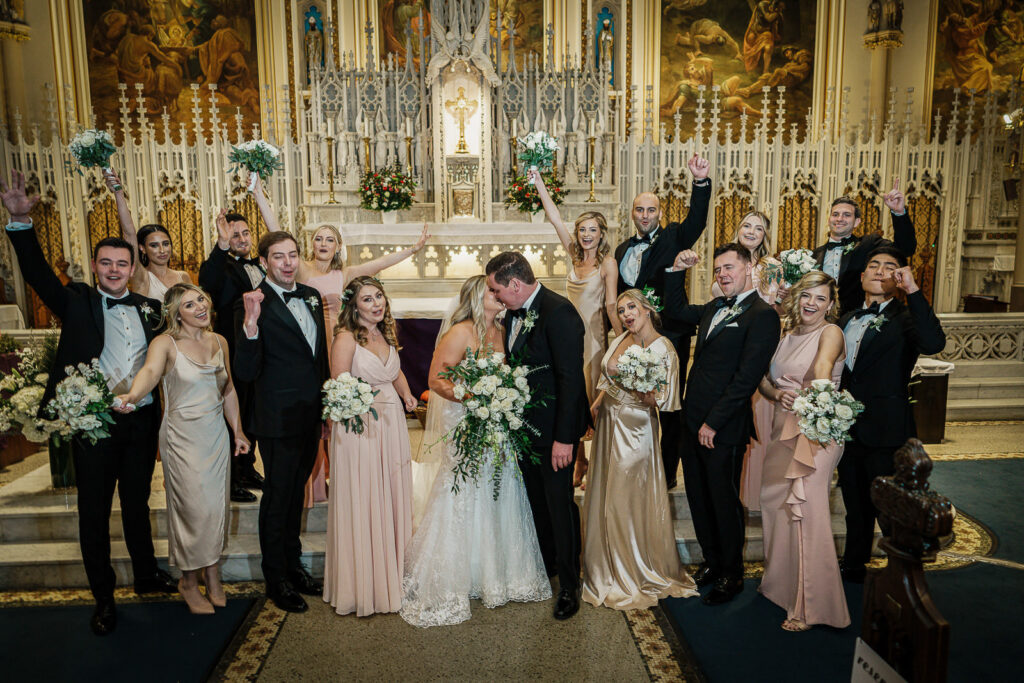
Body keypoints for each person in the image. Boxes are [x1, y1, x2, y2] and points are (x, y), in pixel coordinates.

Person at [1, 170, 176, 636]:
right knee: (94, 512)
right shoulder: (76, 301)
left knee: (138, 501)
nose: (115, 270)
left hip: (140, 421)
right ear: (95, 266)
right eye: (107, 264)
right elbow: (37, 273)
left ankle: (146, 575)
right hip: (94, 424)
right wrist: (20, 222)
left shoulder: (150, 309)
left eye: (123, 263)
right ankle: (103, 596)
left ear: (132, 266)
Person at [247, 173, 429, 506]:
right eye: (318, 238)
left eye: (329, 239)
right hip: (311, 342)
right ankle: (313, 486)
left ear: (337, 247)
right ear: (311, 244)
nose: (323, 244)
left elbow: (379, 263)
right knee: (319, 411)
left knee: (342, 409)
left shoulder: (342, 275)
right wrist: (259, 194)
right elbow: (276, 232)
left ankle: (342, 475)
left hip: (342, 343)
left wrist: (413, 250)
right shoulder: (300, 268)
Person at [400, 275, 552, 627]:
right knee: (466, 487)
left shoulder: (503, 330)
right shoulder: (460, 332)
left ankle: (499, 573)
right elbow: (437, 380)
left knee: (500, 487)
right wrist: (475, 396)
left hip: (497, 423)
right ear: (476, 296)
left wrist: (505, 397)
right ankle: (461, 572)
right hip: (467, 421)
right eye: (492, 291)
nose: (499, 296)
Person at [114, 284, 249, 615]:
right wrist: (132, 395)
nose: (200, 306)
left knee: (216, 510)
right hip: (181, 438)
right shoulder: (165, 343)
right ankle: (189, 580)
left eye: (201, 298)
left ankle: (212, 575)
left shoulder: (219, 341)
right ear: (176, 313)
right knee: (192, 511)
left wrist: (239, 431)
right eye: (190, 304)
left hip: (215, 436)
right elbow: (148, 373)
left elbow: (228, 389)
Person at [662, 243, 780, 605]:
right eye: (717, 270)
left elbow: (746, 378)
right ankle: (712, 563)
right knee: (698, 497)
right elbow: (676, 311)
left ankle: (732, 574)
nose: (722, 274)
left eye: (729, 267)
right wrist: (676, 271)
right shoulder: (713, 306)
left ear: (749, 269)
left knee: (723, 500)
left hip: (722, 426)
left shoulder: (763, 315)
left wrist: (713, 422)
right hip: (691, 420)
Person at [486, 251, 590, 620]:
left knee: (559, 506)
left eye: (497, 290)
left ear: (515, 284)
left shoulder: (558, 312)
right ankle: (546, 566)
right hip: (525, 430)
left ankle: (570, 586)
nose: (496, 297)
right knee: (537, 502)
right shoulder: (515, 314)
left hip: (554, 434)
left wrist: (565, 439)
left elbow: (570, 380)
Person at [582, 289, 698, 610]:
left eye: (631, 307)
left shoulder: (665, 349)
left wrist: (639, 385)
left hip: (635, 429)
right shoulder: (622, 339)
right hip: (608, 423)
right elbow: (608, 378)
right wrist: (594, 406)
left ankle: (630, 569)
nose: (625, 314)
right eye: (620, 310)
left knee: (624, 498)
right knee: (605, 493)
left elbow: (661, 400)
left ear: (648, 309)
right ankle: (604, 562)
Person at [837, 246, 945, 583]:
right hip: (847, 427)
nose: (880, 271)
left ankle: (905, 576)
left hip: (887, 429)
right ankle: (853, 566)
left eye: (889, 267)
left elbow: (932, 342)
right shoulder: (846, 318)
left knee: (890, 508)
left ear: (899, 277)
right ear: (861, 276)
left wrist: (913, 290)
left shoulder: (906, 317)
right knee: (855, 507)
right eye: (873, 265)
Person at [234, 231, 329, 613]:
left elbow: (317, 358)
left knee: (296, 498)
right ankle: (276, 579)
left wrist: (325, 410)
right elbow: (244, 370)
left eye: (292, 255)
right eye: (278, 257)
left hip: (309, 416)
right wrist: (252, 326)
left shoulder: (310, 295)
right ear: (263, 263)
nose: (287, 263)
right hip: (276, 419)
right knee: (278, 499)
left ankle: (294, 565)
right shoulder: (250, 304)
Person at [752, 271, 850, 631]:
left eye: (820, 298)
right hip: (782, 425)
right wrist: (777, 394)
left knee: (806, 509)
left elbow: (823, 369)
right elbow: (762, 378)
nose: (812, 303)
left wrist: (816, 401)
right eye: (807, 295)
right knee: (775, 502)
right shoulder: (784, 334)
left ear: (830, 304)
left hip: (817, 430)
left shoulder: (831, 333)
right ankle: (780, 586)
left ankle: (809, 606)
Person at [615, 154, 712, 490]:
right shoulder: (621, 250)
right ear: (632, 214)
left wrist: (700, 183)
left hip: (669, 334)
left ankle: (668, 472)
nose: (645, 216)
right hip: (634, 338)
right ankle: (636, 466)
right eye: (640, 210)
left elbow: (697, 220)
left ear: (660, 213)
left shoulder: (673, 236)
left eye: (651, 210)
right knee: (635, 402)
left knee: (669, 405)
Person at [323, 276, 417, 616]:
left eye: (379, 296)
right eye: (367, 299)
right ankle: (366, 583)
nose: (377, 303)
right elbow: (338, 384)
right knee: (367, 497)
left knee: (391, 495)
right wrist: (360, 408)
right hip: (360, 427)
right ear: (354, 305)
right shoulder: (346, 338)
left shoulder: (384, 333)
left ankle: (393, 574)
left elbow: (393, 372)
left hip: (392, 425)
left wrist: (406, 393)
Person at [531, 169, 621, 487]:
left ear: (601, 234)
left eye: (591, 230)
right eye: (582, 229)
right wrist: (540, 183)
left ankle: (597, 466)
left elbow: (611, 305)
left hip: (594, 342)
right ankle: (579, 461)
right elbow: (555, 219)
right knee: (569, 400)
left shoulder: (607, 263)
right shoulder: (573, 256)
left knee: (592, 405)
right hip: (566, 340)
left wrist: (623, 340)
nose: (585, 235)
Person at [198, 207, 263, 503]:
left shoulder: (262, 265)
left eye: (245, 233)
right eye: (235, 234)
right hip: (233, 350)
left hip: (261, 350)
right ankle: (231, 477)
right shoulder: (220, 266)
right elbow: (206, 284)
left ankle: (248, 467)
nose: (241, 238)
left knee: (254, 411)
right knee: (233, 413)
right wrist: (221, 245)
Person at [812, 183, 917, 316]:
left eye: (846, 215)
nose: (839, 219)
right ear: (829, 219)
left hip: (855, 320)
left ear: (856, 222)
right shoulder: (814, 255)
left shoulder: (869, 244)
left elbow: (905, 249)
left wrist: (898, 213)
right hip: (819, 321)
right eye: (835, 214)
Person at [103, 169, 191, 301]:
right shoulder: (141, 276)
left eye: (166, 244)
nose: (162, 250)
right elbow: (129, 233)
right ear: (142, 248)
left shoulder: (183, 277)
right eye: (154, 245)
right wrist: (118, 193)